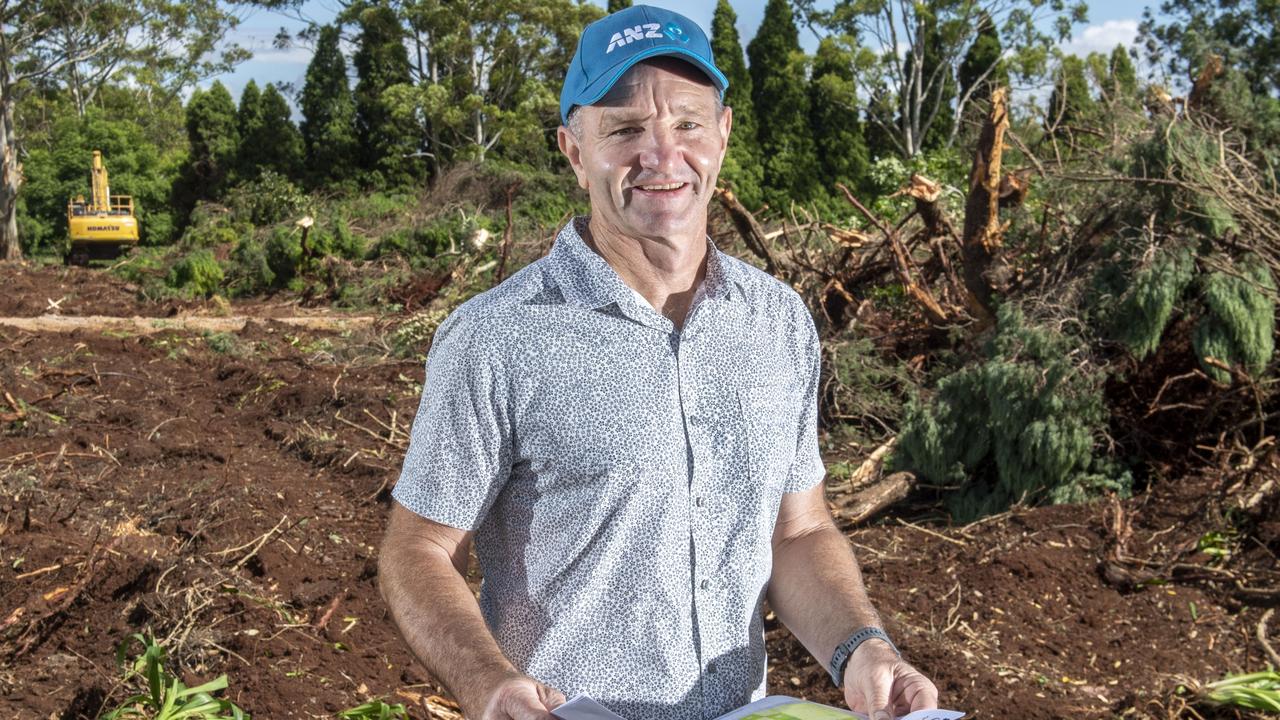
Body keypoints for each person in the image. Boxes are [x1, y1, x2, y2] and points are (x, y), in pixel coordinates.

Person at [378, 6, 939, 720]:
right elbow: (416, 549)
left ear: (723, 135)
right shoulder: (497, 338)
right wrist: (488, 682)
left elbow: (797, 531)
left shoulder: (776, 321)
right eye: (625, 129)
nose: (662, 156)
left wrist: (863, 648)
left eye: (687, 124)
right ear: (575, 151)